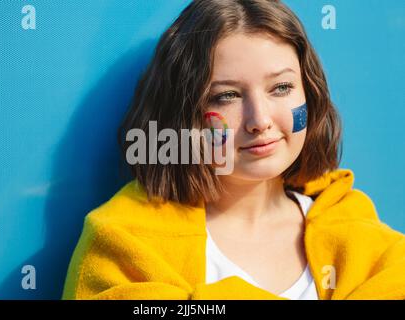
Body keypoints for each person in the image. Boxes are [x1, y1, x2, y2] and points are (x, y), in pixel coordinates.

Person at [62, 0, 405, 300]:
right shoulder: (121, 241)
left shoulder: (360, 233)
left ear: (309, 96)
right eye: (226, 96)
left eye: (282, 87)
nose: (260, 120)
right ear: (182, 116)